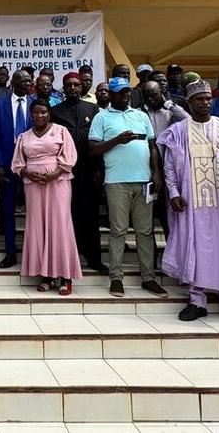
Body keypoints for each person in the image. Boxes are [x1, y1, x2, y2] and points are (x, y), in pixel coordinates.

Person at [156, 80, 219, 326]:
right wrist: (173, 193)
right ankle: (196, 300)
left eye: (207, 98)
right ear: (189, 102)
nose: (205, 102)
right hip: (192, 204)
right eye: (199, 99)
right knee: (195, 247)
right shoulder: (178, 130)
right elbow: (169, 166)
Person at [89, 77, 166, 298]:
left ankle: (148, 278)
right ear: (111, 95)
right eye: (120, 92)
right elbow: (92, 149)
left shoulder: (141, 115)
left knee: (145, 231)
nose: (125, 95)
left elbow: (152, 146)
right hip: (116, 182)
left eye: (127, 92)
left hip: (144, 181)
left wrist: (157, 172)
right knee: (118, 231)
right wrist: (117, 140)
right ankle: (116, 278)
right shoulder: (101, 117)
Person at [12, 98, 82, 295]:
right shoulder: (24, 136)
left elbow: (69, 157)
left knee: (59, 226)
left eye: (43, 111)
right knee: (39, 226)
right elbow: (17, 163)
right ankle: (46, 275)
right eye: (36, 112)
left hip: (58, 183)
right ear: (31, 114)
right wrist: (27, 173)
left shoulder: (61, 131)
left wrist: (54, 174)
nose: (40, 115)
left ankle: (65, 276)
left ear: (49, 113)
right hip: (33, 185)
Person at [51, 72, 105, 272]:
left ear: (82, 87)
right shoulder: (55, 111)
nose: (72, 88)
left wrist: (99, 169)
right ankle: (68, 257)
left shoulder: (93, 109)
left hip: (89, 170)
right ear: (64, 88)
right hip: (64, 172)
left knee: (91, 215)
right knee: (67, 214)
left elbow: (99, 140)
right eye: (69, 85)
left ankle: (94, 258)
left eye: (76, 84)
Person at [0, 69, 35, 268]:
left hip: (32, 165)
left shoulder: (36, 104)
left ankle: (33, 253)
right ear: (14, 83)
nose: (29, 84)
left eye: (30, 81)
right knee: (7, 210)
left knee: (34, 210)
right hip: (7, 165)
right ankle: (10, 252)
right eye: (25, 81)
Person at [140, 80, 188, 253]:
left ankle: (173, 255)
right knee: (147, 219)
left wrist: (168, 103)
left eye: (154, 95)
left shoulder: (170, 111)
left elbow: (187, 120)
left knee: (170, 218)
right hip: (147, 168)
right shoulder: (139, 113)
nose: (150, 99)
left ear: (161, 92)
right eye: (146, 96)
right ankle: (151, 259)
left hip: (170, 169)